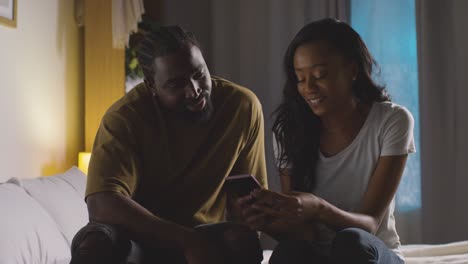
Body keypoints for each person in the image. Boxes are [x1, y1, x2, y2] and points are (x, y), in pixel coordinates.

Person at [70, 26, 267, 264]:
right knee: (95, 243)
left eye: (199, 74)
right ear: (151, 86)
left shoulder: (241, 107)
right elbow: (102, 204)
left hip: (203, 233)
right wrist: (186, 241)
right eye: (176, 84)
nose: (194, 91)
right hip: (138, 236)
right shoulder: (124, 119)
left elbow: (248, 202)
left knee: (241, 239)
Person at [239, 18, 415, 264]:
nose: (309, 88)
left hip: (370, 252)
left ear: (352, 70)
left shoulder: (391, 121)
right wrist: (268, 221)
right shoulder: (289, 131)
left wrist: (318, 207)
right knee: (288, 253)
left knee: (351, 242)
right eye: (300, 78)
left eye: (319, 75)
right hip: (318, 255)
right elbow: (302, 233)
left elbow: (371, 224)